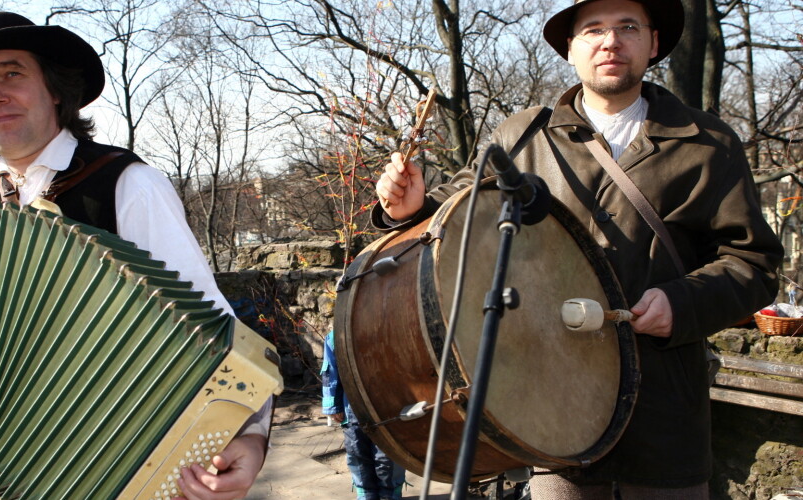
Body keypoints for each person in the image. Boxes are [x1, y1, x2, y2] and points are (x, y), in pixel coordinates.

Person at [373, 0, 783, 498]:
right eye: (593, 30)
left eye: (627, 27)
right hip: (552, 425)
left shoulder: (709, 142)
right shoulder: (520, 137)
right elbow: (457, 218)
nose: (610, 42)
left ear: (653, 43)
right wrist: (408, 208)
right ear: (571, 48)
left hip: (666, 425)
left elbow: (754, 264)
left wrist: (682, 302)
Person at [0, 12, 270, 500]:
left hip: (128, 458)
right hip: (10, 466)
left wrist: (250, 435)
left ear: (55, 90)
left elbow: (213, 328)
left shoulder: (127, 184)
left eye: (12, 73)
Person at [322, 330, 406, 500]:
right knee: (357, 452)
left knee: (388, 453)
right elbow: (330, 372)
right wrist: (332, 405)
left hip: (388, 407)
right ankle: (365, 493)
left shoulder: (388, 326)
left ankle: (390, 493)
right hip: (352, 407)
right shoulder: (335, 336)